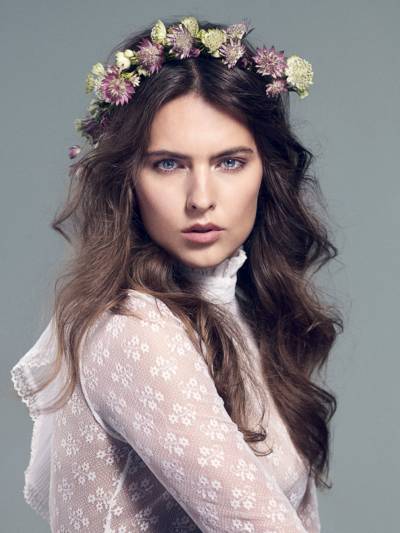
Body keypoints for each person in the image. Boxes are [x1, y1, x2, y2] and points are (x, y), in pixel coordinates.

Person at [10, 15, 343, 532]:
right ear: (128, 179)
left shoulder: (245, 313)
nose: (201, 199)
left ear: (267, 172)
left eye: (229, 162)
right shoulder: (131, 329)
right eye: (168, 164)